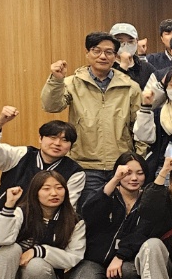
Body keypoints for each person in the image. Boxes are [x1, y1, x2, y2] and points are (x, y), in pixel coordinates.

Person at [0, 107, 83, 266]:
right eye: (52, 137)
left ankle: (21, 265)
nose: (57, 143)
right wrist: (0, 122)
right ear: (40, 138)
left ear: (71, 146)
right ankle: (8, 267)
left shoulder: (75, 172)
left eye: (65, 140)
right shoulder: (20, 155)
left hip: (41, 232)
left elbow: (68, 207)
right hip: (5, 224)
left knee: (39, 263)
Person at [41, 31, 143, 190]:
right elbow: (51, 106)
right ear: (87, 53)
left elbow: (140, 128)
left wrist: (138, 160)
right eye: (96, 51)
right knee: (88, 206)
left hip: (121, 164)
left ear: (115, 56)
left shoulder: (130, 87)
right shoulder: (72, 83)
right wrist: (56, 80)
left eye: (109, 52)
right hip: (83, 165)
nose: (102, 56)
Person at [67, 152, 144, 279]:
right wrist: (114, 180)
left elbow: (143, 234)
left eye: (140, 173)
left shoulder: (148, 199)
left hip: (127, 259)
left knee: (130, 273)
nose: (134, 178)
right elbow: (88, 212)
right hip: (95, 259)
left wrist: (120, 256)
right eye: (128, 173)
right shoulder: (107, 194)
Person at [110, 22, 153, 90]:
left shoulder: (146, 67)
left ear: (137, 42)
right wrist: (123, 66)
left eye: (130, 42)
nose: (126, 45)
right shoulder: (106, 66)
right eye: (120, 42)